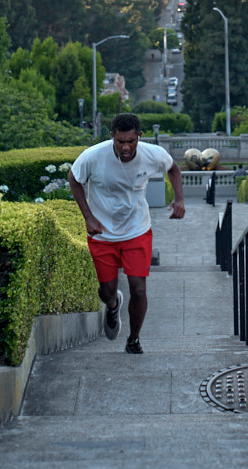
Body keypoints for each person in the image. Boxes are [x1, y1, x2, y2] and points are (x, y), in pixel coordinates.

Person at [68, 112, 185, 354]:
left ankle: (133, 338)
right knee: (107, 291)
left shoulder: (153, 154)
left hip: (137, 230)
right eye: (120, 141)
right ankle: (113, 305)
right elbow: (74, 179)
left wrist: (179, 199)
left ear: (139, 137)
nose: (126, 147)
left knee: (139, 288)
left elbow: (173, 169)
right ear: (112, 136)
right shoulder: (93, 156)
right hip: (102, 234)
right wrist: (88, 217)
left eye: (131, 141)